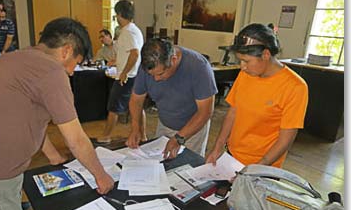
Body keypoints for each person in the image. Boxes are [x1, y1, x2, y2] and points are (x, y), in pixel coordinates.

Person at [0, 17, 114, 210]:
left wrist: (54, 157)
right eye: (77, 62)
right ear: (66, 51)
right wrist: (101, 175)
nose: (74, 72)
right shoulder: (51, 71)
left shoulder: (17, 57)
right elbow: (75, 138)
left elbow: (28, 116)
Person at [206, 23, 308, 168]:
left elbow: (286, 138)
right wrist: (217, 147)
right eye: (240, 60)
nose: (242, 66)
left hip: (264, 163)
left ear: (266, 55)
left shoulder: (295, 87)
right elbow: (233, 113)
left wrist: (258, 167)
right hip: (232, 156)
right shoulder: (246, 74)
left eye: (246, 61)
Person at [126, 38, 218, 159]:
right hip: (165, 125)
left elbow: (205, 112)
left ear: (173, 60)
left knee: (186, 167)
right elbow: (136, 100)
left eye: (160, 74)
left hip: (193, 130)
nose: (156, 80)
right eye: (151, 75)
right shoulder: (147, 67)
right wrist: (135, 128)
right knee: (160, 164)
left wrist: (179, 138)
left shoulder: (199, 67)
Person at [97, 0, 146, 143]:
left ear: (119, 14)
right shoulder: (134, 29)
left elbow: (135, 53)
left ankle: (106, 136)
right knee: (137, 106)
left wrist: (124, 72)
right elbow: (129, 53)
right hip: (134, 75)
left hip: (127, 77)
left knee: (113, 107)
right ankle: (142, 136)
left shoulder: (127, 31)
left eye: (116, 15)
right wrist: (116, 62)